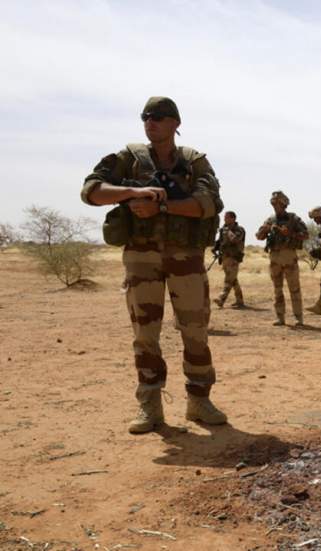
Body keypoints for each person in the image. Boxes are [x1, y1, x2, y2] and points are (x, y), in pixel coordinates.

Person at [80, 96, 227, 433]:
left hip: (185, 258)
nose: (151, 122)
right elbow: (90, 191)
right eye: (146, 117)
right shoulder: (128, 159)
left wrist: (162, 206)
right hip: (141, 257)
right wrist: (132, 194)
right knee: (145, 334)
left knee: (195, 330)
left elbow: (208, 203)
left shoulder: (194, 161)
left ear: (176, 123)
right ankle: (150, 405)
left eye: (160, 117)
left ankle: (199, 401)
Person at [256, 191, 308, 326]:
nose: (274, 205)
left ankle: (298, 318)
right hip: (274, 257)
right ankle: (280, 317)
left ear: (283, 204)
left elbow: (305, 235)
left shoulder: (293, 218)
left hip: (289, 256)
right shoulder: (270, 219)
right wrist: (264, 230)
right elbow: (258, 236)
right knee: (277, 288)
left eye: (277, 203)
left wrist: (290, 233)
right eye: (273, 203)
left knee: (294, 288)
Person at [213, 211, 246, 308]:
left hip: (234, 257)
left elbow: (235, 239)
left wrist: (228, 232)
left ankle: (221, 298)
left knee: (229, 280)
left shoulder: (239, 229)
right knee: (233, 279)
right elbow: (220, 241)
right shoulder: (223, 229)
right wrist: (215, 248)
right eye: (224, 217)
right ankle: (240, 301)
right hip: (225, 257)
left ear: (233, 218)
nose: (224, 219)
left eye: (227, 217)